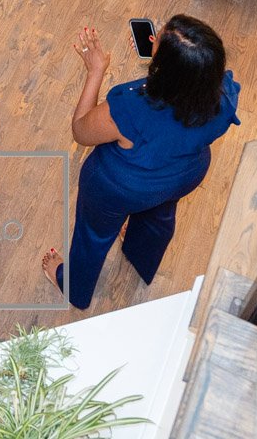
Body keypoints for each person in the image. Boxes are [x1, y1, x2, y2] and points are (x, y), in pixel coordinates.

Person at [41, 20, 239, 310]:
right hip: (184, 174)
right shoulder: (223, 94)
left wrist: (95, 71)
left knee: (93, 235)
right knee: (159, 214)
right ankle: (140, 253)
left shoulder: (132, 107)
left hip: (122, 188)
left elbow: (81, 132)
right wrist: (166, 62)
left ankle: (75, 287)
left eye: (156, 39)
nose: (152, 38)